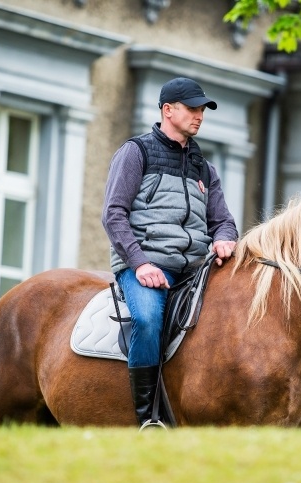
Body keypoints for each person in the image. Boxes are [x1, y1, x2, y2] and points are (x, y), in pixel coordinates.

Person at [101, 77, 239, 429]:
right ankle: (147, 419)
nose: (199, 116)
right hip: (145, 267)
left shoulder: (204, 168)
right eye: (192, 109)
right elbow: (113, 214)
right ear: (168, 110)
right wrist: (140, 263)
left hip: (194, 268)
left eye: (202, 110)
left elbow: (223, 221)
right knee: (147, 321)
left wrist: (224, 239)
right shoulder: (136, 152)